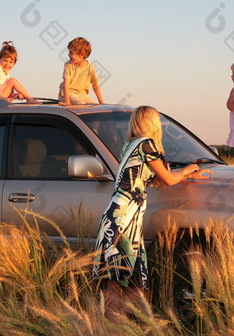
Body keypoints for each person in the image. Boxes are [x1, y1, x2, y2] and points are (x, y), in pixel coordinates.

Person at [93, 106, 211, 316]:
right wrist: (186, 170)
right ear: (152, 123)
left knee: (130, 284)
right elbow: (168, 179)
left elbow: (157, 177)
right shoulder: (146, 144)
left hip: (119, 217)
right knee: (121, 283)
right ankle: (114, 327)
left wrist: (189, 175)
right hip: (124, 221)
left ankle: (118, 326)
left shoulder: (130, 145)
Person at [58, 37, 104, 105]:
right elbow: (66, 84)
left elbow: (95, 86)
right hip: (68, 94)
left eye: (71, 52)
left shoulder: (90, 68)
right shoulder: (68, 65)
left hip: (82, 95)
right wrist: (67, 101)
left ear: (81, 55)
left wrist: (101, 102)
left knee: (95, 106)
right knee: (81, 104)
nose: (68, 55)